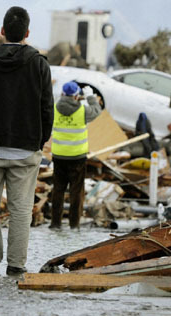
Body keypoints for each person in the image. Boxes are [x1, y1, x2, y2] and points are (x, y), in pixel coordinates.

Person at [0, 6, 54, 276]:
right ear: (27, 33)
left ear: (2, 31)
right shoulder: (39, 64)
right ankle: (16, 265)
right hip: (26, 150)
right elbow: (46, 107)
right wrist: (40, 139)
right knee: (21, 211)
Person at [49, 81, 101, 230]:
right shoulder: (83, 110)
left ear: (63, 94)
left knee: (58, 189)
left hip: (59, 156)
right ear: (76, 96)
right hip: (77, 157)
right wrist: (90, 97)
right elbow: (97, 111)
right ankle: (74, 224)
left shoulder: (54, 109)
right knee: (76, 192)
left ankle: (55, 223)